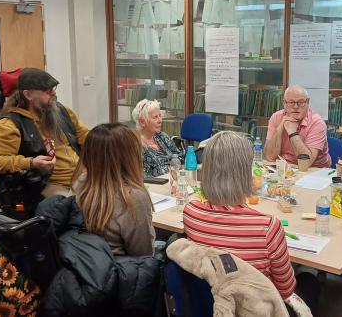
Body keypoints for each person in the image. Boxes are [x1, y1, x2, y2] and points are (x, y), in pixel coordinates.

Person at [183, 131, 319, 314]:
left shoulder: (191, 212)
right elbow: (286, 289)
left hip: (212, 302)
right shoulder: (267, 227)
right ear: (245, 173)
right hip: (256, 308)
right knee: (311, 281)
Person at [0, 68, 89, 200]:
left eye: (53, 89)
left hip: (82, 177)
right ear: (28, 95)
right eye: (48, 91)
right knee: (84, 207)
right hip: (50, 184)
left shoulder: (63, 112)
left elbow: (86, 138)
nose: (54, 94)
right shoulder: (9, 125)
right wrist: (31, 163)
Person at [73, 123, 155, 256]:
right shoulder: (133, 197)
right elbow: (144, 255)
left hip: (85, 267)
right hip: (120, 271)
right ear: (129, 157)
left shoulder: (81, 183)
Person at [264, 85, 331, 169]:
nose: (295, 107)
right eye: (291, 102)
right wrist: (280, 128)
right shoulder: (276, 117)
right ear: (284, 103)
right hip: (286, 169)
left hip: (314, 171)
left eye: (301, 102)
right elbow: (270, 157)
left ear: (308, 102)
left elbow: (306, 163)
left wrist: (292, 132)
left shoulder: (317, 123)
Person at [131, 99, 184, 178]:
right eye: (155, 117)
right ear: (142, 122)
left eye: (160, 116)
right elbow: (142, 176)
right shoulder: (135, 144)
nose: (160, 120)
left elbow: (179, 156)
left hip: (174, 180)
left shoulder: (162, 136)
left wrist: (175, 168)